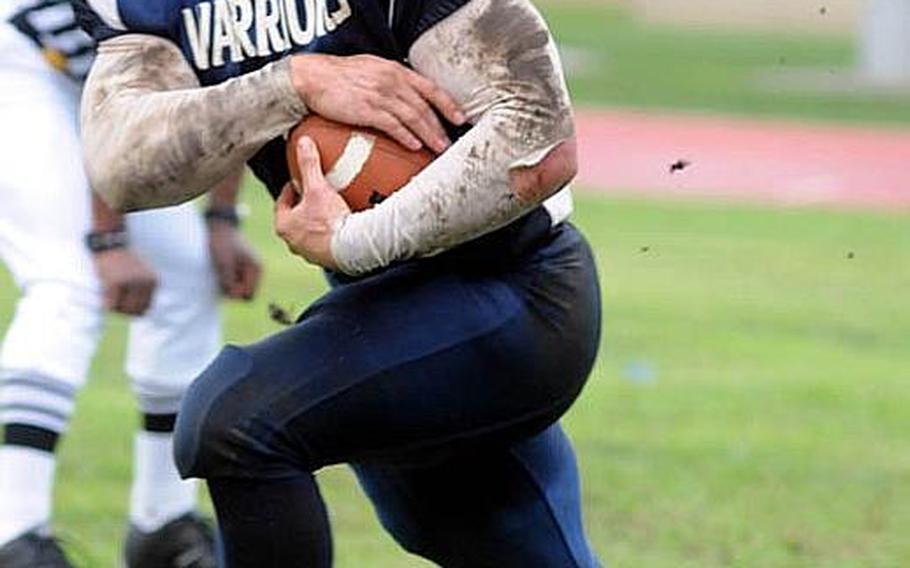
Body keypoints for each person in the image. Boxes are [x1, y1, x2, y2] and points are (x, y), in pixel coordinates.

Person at [74, 0, 603, 566]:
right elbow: (119, 165)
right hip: (383, 311)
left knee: (234, 422)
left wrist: (356, 240)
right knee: (506, 542)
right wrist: (291, 85)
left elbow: (538, 134)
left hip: (514, 289)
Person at [0, 1, 262, 566]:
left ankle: (161, 526)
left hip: (107, 72)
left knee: (189, 276)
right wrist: (108, 241)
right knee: (67, 280)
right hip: (23, 58)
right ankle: (12, 535)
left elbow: (241, 85)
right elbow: (111, 83)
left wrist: (221, 221)